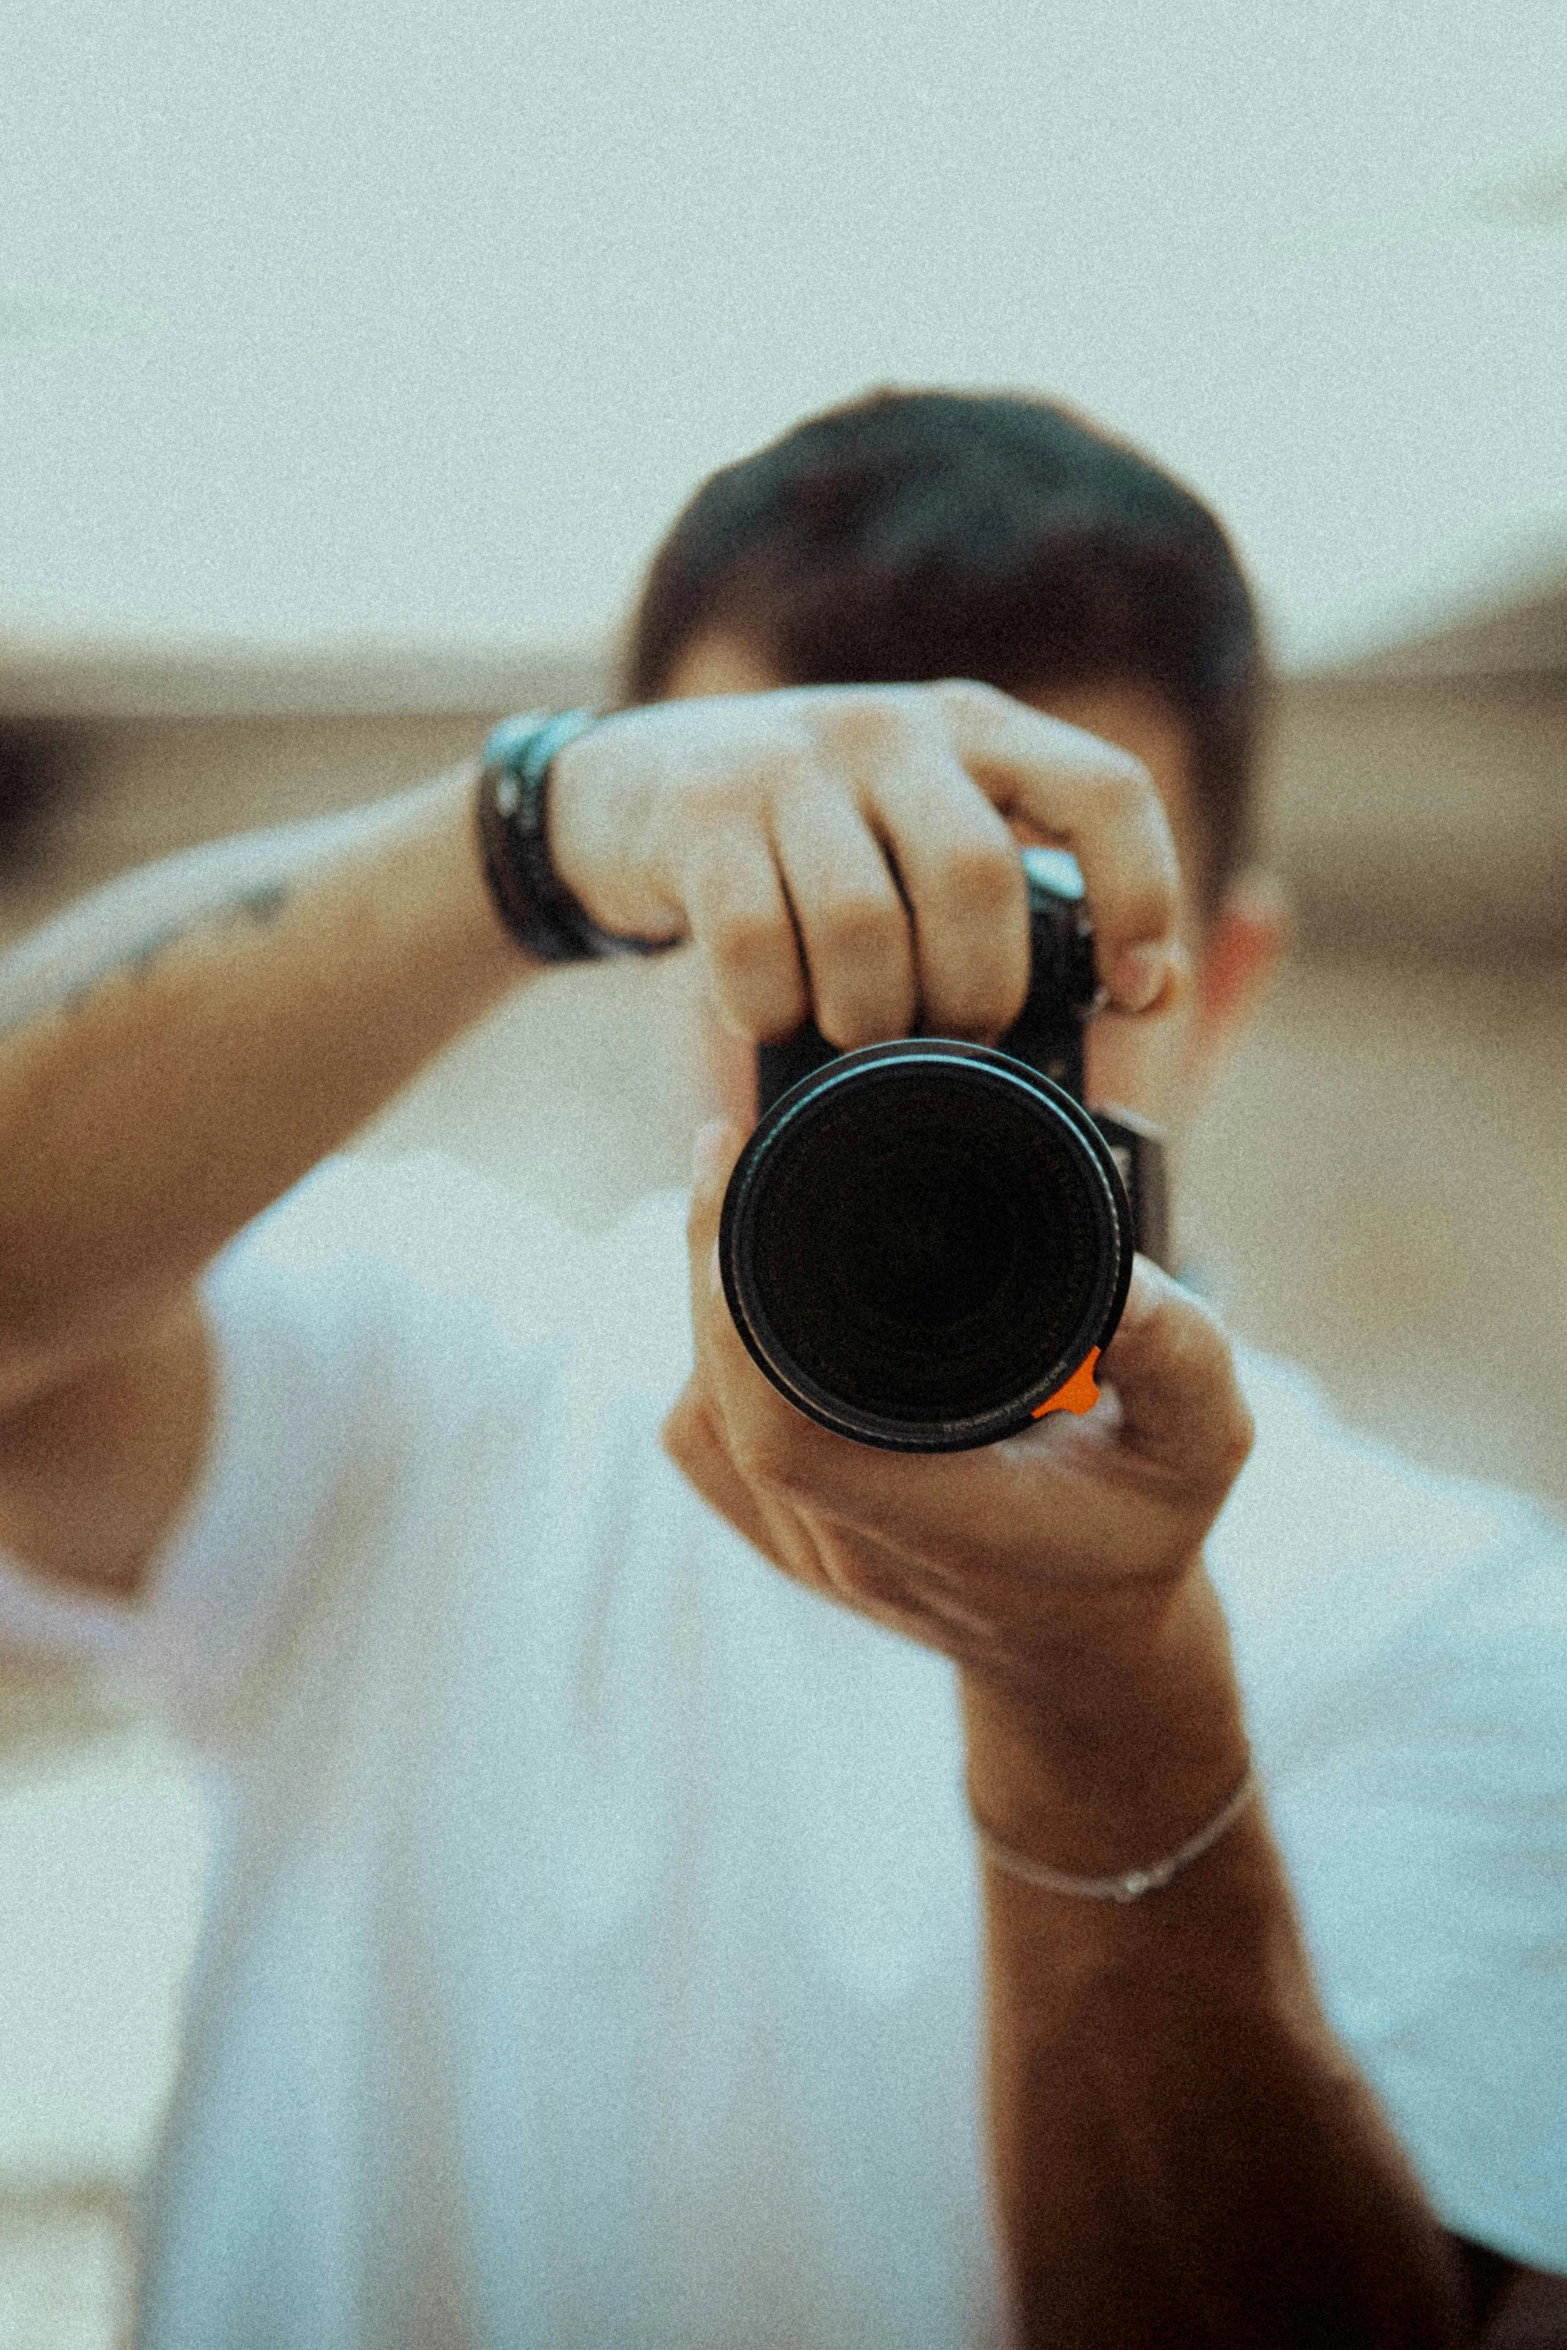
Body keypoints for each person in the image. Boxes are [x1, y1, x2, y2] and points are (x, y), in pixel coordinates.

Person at [0, 388, 1561, 2349]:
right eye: (799, 909)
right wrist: (528, 827)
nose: (910, 1023)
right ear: (654, 927)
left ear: (1218, 982)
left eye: (1027, 931)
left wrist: (1110, 1721)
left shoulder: (1473, 1633)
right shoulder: (412, 1381)